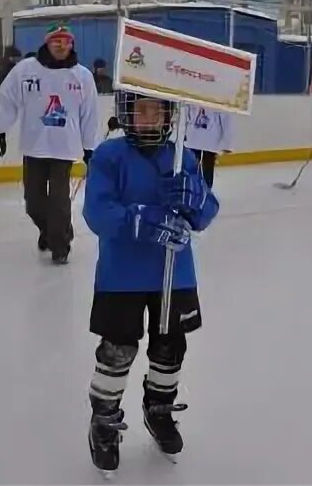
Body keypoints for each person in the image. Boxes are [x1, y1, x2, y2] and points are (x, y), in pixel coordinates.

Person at [83, 92, 219, 474]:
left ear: (168, 114)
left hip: (174, 273)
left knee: (170, 346)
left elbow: (207, 213)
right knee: (118, 349)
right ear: (126, 112)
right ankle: (104, 421)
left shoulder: (183, 157)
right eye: (139, 109)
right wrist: (137, 220)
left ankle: (158, 409)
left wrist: (197, 199)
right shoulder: (109, 156)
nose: (147, 117)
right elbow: (97, 211)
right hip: (121, 274)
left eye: (155, 110)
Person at [0, 22, 99, 264]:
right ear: (47, 42)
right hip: (34, 146)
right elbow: (7, 99)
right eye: (56, 41)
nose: (62, 46)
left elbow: (89, 114)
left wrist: (89, 147)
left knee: (59, 201)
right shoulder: (25, 70)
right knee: (34, 203)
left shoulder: (82, 76)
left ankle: (60, 246)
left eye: (67, 41)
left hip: (64, 149)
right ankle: (52, 231)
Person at [183, 105, 233, 187]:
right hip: (193, 138)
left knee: (206, 168)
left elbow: (226, 115)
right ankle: (193, 190)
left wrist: (227, 142)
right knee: (192, 166)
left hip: (209, 141)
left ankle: (205, 191)